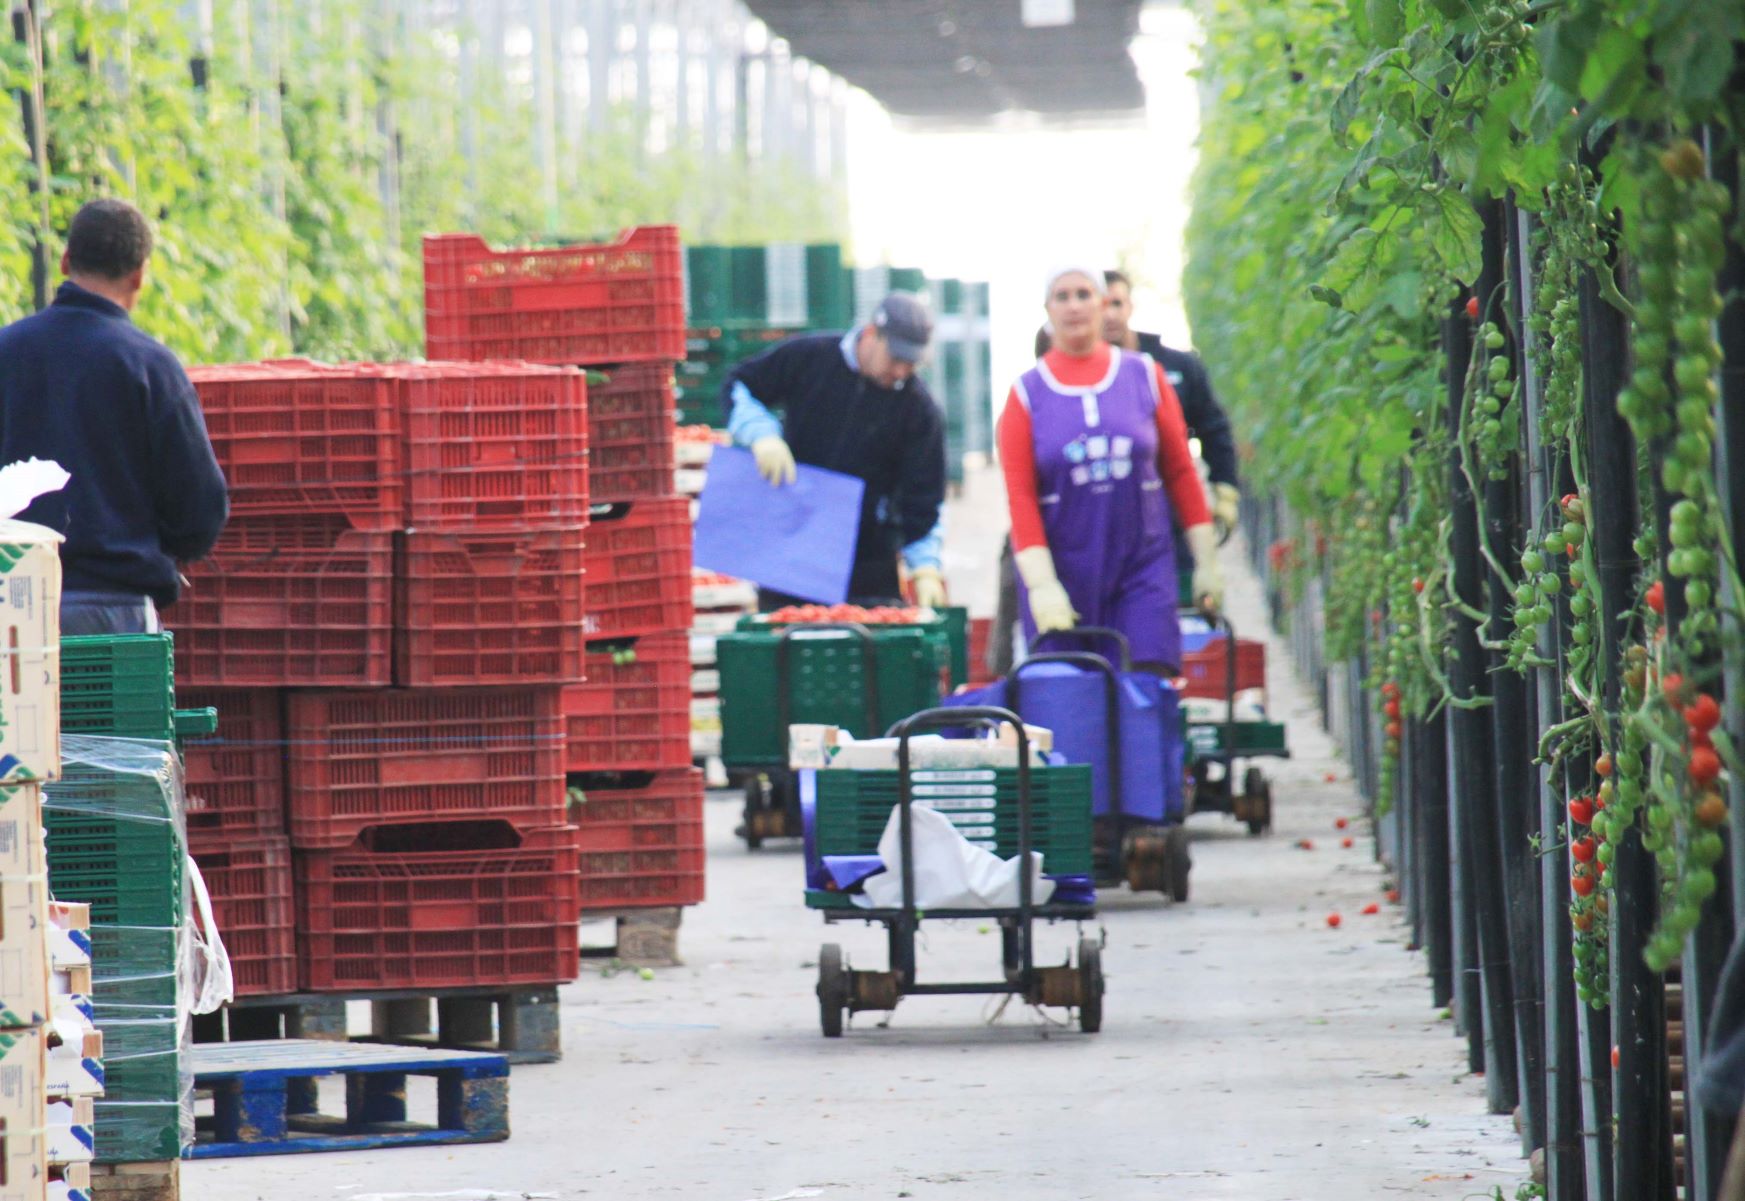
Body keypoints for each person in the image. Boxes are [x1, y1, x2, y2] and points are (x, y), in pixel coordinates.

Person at [0, 198, 229, 635]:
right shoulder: (150, 366)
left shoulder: (6, 352)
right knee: (113, 705)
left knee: (22, 704)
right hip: (117, 611)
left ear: (66, 261)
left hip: (11, 606)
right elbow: (201, 509)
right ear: (139, 275)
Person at [998, 267, 1223, 674]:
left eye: (1083, 294)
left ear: (1104, 304)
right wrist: (1042, 584)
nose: (1073, 306)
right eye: (1061, 296)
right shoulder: (1025, 395)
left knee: (1144, 691)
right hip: (1065, 573)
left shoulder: (1144, 376)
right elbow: (1020, 497)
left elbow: (1180, 473)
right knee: (1067, 703)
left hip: (1142, 569)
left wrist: (1205, 559)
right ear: (1047, 309)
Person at [721, 292, 947, 610]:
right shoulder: (809, 357)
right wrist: (762, 436)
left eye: (911, 364)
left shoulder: (920, 411)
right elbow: (739, 385)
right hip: (790, 550)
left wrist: (925, 568)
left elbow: (923, 500)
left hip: (868, 568)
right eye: (895, 358)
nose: (900, 371)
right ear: (871, 334)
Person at [1102, 269, 1240, 536]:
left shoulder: (1178, 367)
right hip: (1106, 519)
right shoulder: (1071, 382)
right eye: (1102, 305)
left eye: (1116, 303)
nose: (1109, 314)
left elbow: (1213, 428)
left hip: (1172, 514)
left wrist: (1225, 489)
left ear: (1130, 305)